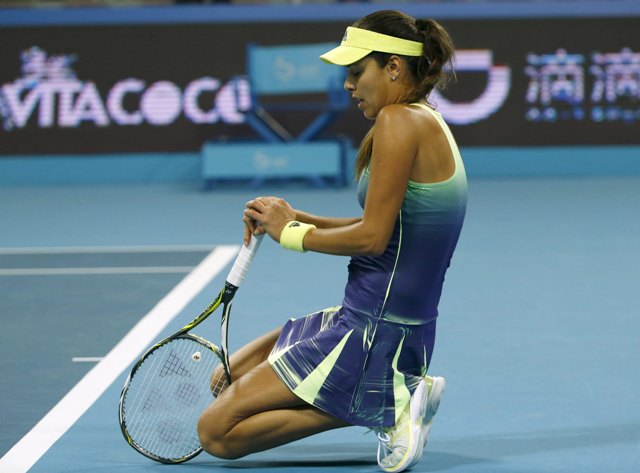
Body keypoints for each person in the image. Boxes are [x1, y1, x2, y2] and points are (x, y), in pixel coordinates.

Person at [197, 10, 467, 472]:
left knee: (215, 433)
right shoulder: (424, 118)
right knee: (228, 376)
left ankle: (388, 403)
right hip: (376, 316)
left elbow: (373, 237)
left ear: (394, 68)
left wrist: (292, 234)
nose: (348, 85)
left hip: (375, 330)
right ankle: (390, 391)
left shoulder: (399, 121)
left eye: (357, 71)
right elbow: (389, 226)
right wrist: (292, 215)